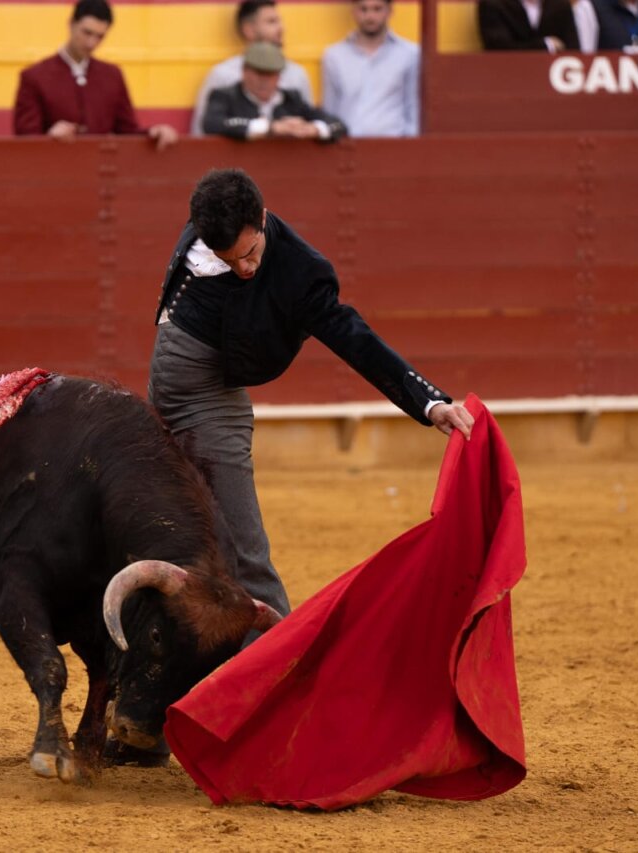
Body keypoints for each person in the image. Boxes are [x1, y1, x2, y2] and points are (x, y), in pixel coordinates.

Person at [148, 168, 475, 624]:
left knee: (242, 549)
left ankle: (273, 662)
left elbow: (352, 336)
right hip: (176, 388)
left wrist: (428, 401)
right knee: (193, 537)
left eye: (250, 254)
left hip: (212, 398)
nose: (244, 268)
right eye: (230, 260)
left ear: (261, 219)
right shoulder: (213, 214)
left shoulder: (300, 271)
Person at [12, 0, 178, 150]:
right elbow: (25, 140)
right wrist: (49, 136)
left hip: (99, 176)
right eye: (87, 33)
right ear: (71, 24)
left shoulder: (112, 75)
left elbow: (127, 131)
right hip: (54, 175)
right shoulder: (34, 76)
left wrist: (152, 133)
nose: (92, 43)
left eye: (100, 36)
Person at [190, 0, 315, 136]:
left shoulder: (297, 73)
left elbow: (308, 125)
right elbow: (203, 131)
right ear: (249, 30)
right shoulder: (223, 74)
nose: (281, 28)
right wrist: (269, 127)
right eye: (271, 22)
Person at [202, 43, 348, 141]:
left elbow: (339, 125)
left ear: (279, 76)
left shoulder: (292, 100)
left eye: (271, 74)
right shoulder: (225, 96)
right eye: (259, 73)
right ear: (245, 71)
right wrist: (271, 128)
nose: (264, 81)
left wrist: (313, 129)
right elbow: (212, 124)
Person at [320, 0, 420, 137]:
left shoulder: (410, 54)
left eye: (377, 9)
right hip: (348, 147)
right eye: (363, 9)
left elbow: (413, 108)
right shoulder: (334, 56)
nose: (370, 16)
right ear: (354, 11)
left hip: (394, 146)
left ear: (389, 11)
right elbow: (330, 110)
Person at [477, 0, 581, 52]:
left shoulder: (560, 6)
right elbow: (500, 48)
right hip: (506, 77)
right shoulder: (493, 5)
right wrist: (547, 45)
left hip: (553, 78)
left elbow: (573, 50)